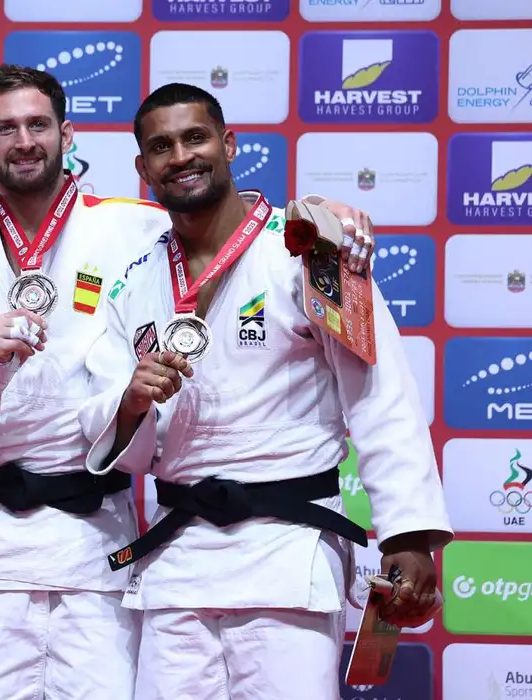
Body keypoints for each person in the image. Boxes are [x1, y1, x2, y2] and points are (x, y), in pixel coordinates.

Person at [0, 65, 375, 699]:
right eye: (6, 128)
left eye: (38, 124)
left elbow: (229, 227)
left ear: (67, 133)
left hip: (96, 538)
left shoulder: (140, 229)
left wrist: (323, 214)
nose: (24, 140)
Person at [79, 82, 453, 700]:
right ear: (143, 167)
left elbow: (381, 398)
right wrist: (130, 403)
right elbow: (119, 440)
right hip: (179, 557)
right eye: (162, 146)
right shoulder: (133, 284)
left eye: (196, 137)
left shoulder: (313, 252)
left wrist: (409, 538)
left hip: (288, 552)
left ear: (229, 145)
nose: (181, 156)